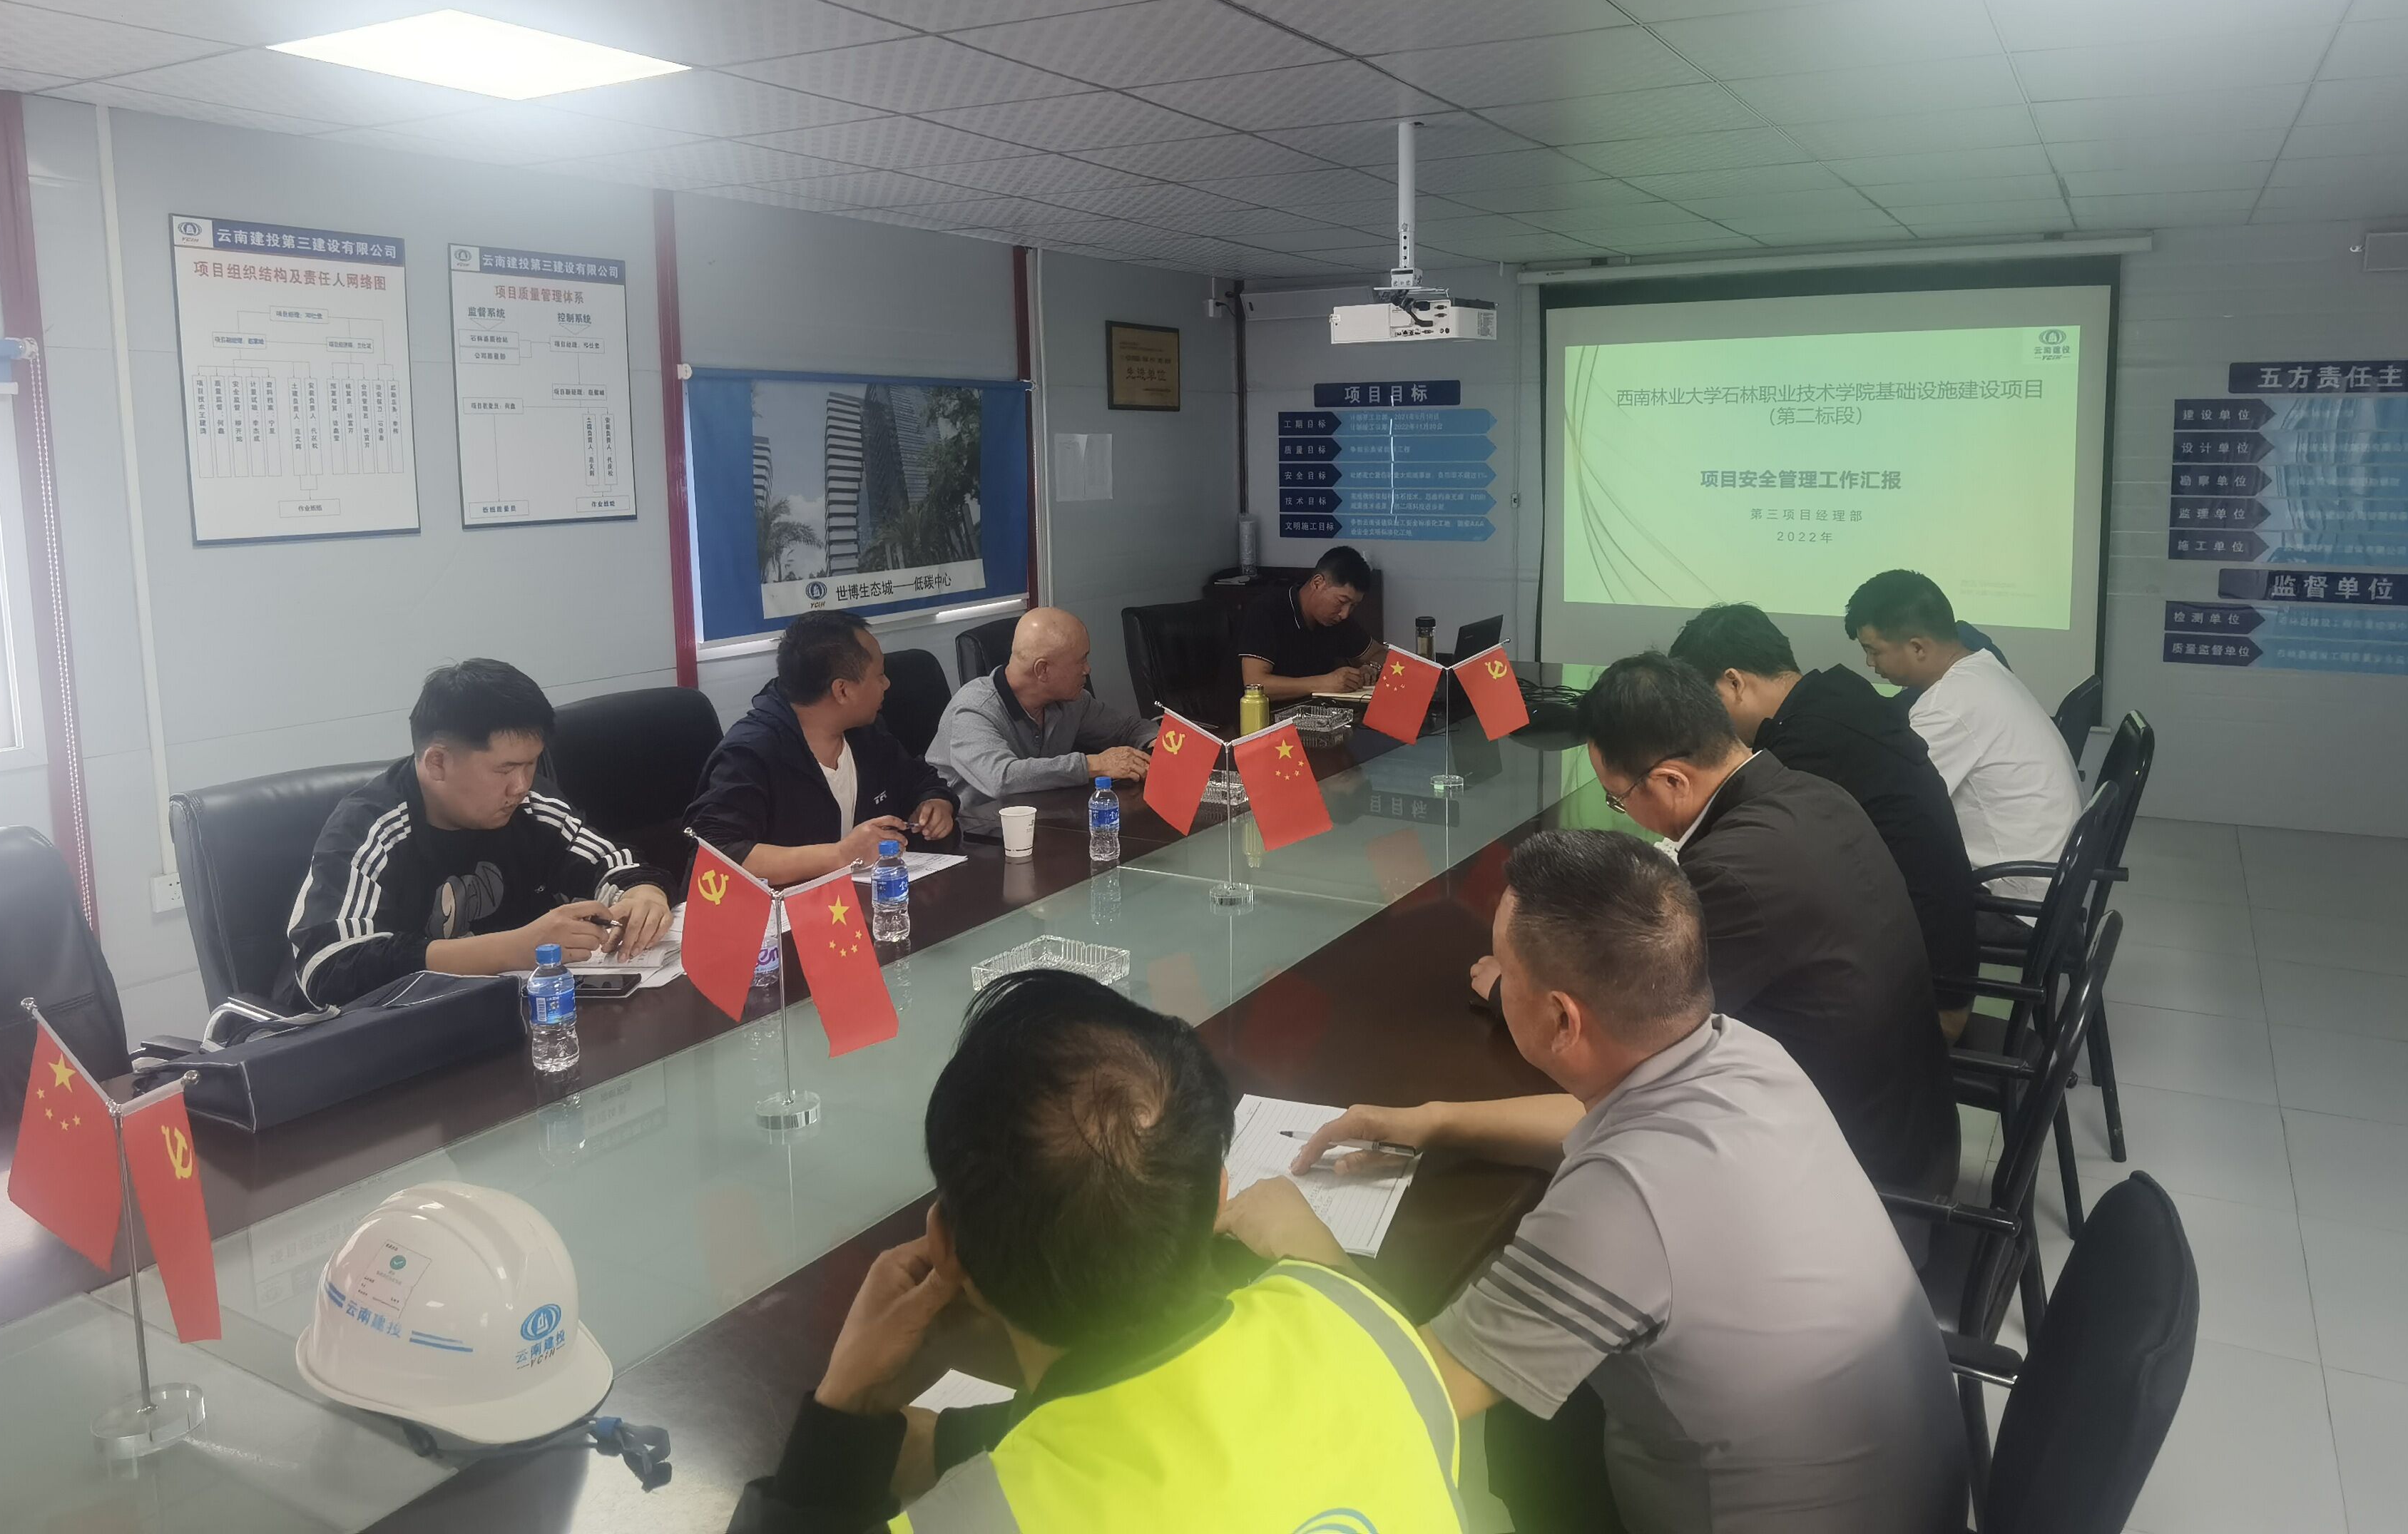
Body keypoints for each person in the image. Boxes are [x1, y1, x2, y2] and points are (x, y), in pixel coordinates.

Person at [1226, 830, 1965, 1534]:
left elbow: (1414, 1388)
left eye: (1504, 972)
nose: (1492, 979)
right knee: (1531, 1422)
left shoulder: (1620, 1208)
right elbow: (1599, 1120)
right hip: (1899, 1489)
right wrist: (1434, 1121)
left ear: (1561, 1020)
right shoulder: (1742, 1051)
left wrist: (1301, 1243)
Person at [730, 970, 1467, 1533]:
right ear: (1219, 1195)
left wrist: (843, 1415)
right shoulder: (1367, 1326)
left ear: (946, 1250)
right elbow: (1159, 1442)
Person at [1526, 654, 1957, 1202]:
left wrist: (1513, 989)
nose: (1622, 812)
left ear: (1671, 780)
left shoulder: (1732, 875)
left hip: (1860, 1179)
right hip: (1915, 1129)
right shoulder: (1814, 792)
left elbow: (1631, 1036)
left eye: (1619, 798)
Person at [279, 659, 672, 1008]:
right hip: (370, 1045)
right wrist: (515, 948)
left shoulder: (531, 805)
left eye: (531, 764)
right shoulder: (371, 828)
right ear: (437, 763)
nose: (521, 786)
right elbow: (328, 969)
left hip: (503, 1021)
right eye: (505, 769)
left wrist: (642, 894)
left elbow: (613, 863)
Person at [1672, 603, 1980, 1040]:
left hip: (1921, 1004)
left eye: (1708, 707)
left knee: (1695, 1010)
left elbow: (1745, 872)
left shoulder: (1806, 747)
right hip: (1935, 960)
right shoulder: (1838, 696)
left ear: (1734, 682)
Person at [1847, 570, 2081, 907]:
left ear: (1917, 647)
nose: (1869, 663)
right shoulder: (1981, 667)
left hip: (2015, 902)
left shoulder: (1947, 706)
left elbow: (1889, 807)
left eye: (1873, 651)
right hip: (2050, 879)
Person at [687, 611, 955, 889]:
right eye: (879, 675)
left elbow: (921, 781)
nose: (887, 684)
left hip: (857, 902)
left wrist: (935, 803)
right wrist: (841, 855)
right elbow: (715, 854)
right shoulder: (750, 754)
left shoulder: (865, 734)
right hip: (780, 910)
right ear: (842, 691)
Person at [924, 608, 1158, 834]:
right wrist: (1093, 765)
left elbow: (1128, 728)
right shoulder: (973, 709)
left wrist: (1156, 743)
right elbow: (1002, 778)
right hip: (974, 837)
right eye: (1081, 660)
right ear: (1043, 670)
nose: (1088, 669)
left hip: (1043, 827)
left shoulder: (1072, 701)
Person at [1235, 544, 1385, 703]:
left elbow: (1381, 654)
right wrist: (1324, 683)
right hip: (1260, 715)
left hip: (1317, 711)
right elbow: (1255, 685)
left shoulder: (1337, 620)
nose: (1345, 613)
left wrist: (1372, 667)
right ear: (1318, 583)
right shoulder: (1267, 610)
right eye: (1341, 601)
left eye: (1353, 606)